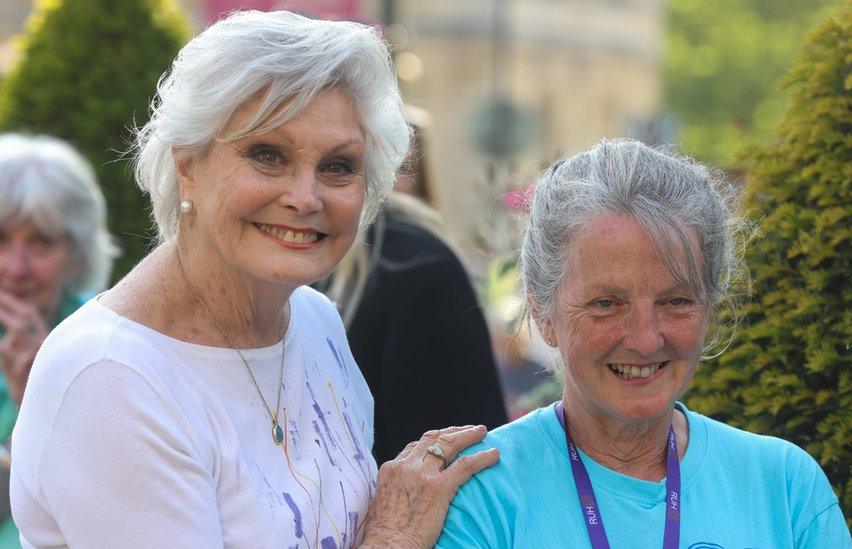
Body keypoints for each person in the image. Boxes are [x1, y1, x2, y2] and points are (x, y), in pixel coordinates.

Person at [10, 11, 497, 548]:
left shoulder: (313, 319)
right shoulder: (110, 377)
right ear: (187, 163)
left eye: (338, 166)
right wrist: (393, 537)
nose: (304, 197)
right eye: (267, 155)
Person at [437, 139, 852, 548]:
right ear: (543, 314)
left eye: (676, 301)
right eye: (606, 303)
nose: (645, 339)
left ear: (709, 307)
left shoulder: (783, 487)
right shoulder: (482, 495)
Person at [317, 112, 507, 463]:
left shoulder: (417, 265)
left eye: (337, 166)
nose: (300, 197)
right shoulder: (414, 260)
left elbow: (462, 448)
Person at [0, 133, 118, 547]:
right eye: (0, 239)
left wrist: (35, 395)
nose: (16, 269)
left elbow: (107, 500)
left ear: (77, 256)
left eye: (41, 243)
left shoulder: (106, 341)